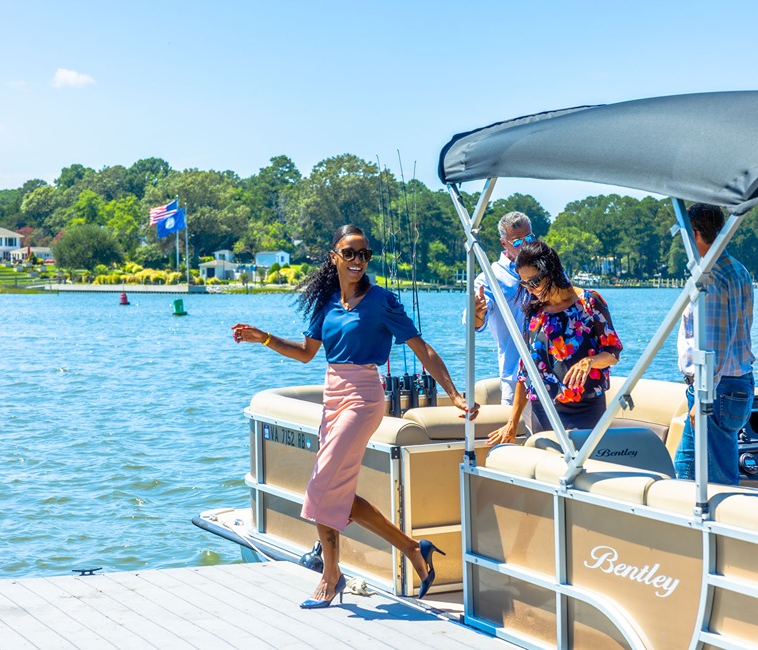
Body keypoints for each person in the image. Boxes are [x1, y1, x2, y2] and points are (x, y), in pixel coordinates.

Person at [232, 224, 478, 609]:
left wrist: (455, 394)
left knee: (319, 488)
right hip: (332, 396)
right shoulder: (326, 303)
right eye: (350, 253)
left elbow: (421, 348)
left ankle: (332, 576)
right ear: (334, 256)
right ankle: (414, 548)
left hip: (364, 396)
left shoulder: (381, 301)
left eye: (364, 254)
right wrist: (264, 338)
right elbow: (305, 353)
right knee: (337, 494)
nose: (358, 261)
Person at [488, 240, 622, 445]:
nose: (530, 290)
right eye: (524, 284)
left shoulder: (589, 302)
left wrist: (590, 361)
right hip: (542, 411)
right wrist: (512, 422)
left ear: (551, 272)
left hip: (585, 409)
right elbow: (525, 371)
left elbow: (612, 354)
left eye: (533, 282)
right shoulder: (534, 312)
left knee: (583, 469)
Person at [673, 203, 754, 485]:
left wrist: (703, 396)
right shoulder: (738, 269)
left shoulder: (712, 277)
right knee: (684, 469)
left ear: (695, 235)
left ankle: (721, 528)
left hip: (716, 389)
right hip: (732, 383)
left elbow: (714, 345)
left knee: (718, 479)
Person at [467, 211, 533, 404]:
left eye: (529, 237)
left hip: (554, 372)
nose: (526, 245)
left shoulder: (548, 268)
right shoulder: (489, 277)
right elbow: (474, 323)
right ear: (504, 243)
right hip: (515, 375)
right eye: (518, 242)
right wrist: (477, 312)